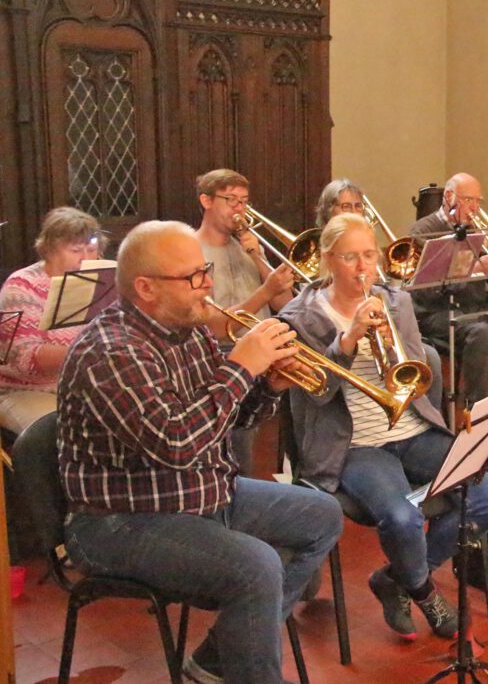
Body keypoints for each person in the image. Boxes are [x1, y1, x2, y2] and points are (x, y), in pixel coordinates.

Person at [58, 220, 342, 684]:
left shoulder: (188, 329)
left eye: (204, 270)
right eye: (192, 276)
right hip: (119, 520)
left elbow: (229, 421)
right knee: (257, 567)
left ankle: (219, 657)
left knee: (322, 515)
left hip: (200, 494)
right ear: (146, 288)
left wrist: (266, 385)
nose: (207, 285)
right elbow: (177, 444)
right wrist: (240, 366)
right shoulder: (110, 351)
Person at [279, 213, 488, 641]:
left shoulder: (396, 301)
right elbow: (316, 394)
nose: (363, 267)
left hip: (412, 429)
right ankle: (422, 589)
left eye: (369, 255)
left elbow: (416, 370)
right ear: (328, 259)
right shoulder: (301, 317)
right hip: (355, 446)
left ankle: (395, 579)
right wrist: (347, 342)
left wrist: (390, 343)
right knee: (402, 517)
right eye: (350, 257)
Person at [408, 172, 488, 408]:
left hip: (474, 307)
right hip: (435, 312)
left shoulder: (474, 230)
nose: (476, 208)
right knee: (480, 333)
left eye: (479, 201)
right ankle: (477, 408)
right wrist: (474, 270)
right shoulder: (424, 231)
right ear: (449, 197)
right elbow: (426, 291)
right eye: (469, 200)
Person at [196, 168, 296, 475]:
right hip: (221, 354)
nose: (240, 209)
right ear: (206, 201)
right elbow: (211, 325)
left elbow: (286, 304)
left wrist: (258, 259)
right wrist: (265, 292)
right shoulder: (191, 250)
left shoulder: (250, 247)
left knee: (247, 441)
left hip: (262, 351)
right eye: (231, 200)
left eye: (244, 201)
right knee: (236, 449)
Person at [315, 178, 445, 410]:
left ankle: (427, 418)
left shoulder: (366, 239)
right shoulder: (318, 251)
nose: (355, 212)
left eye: (358, 206)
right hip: (334, 331)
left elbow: (390, 290)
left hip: (378, 319)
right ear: (328, 211)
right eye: (346, 206)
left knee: (429, 359)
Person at [0, 207, 102, 434]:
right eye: (76, 250)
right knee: (63, 432)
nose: (85, 258)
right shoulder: (22, 286)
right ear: (50, 250)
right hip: (25, 390)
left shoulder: (101, 281)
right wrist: (88, 350)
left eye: (92, 249)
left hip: (84, 386)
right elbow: (24, 361)